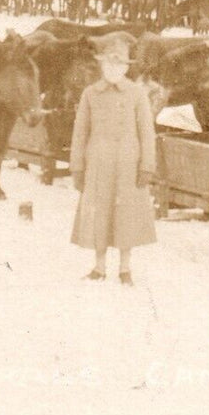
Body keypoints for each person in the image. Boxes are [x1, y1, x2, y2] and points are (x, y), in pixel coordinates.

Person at [69, 32, 158, 284]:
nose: (113, 69)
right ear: (101, 65)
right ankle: (99, 267)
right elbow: (80, 132)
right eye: (108, 63)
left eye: (119, 64)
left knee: (125, 214)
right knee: (100, 214)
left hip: (128, 164)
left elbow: (147, 132)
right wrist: (77, 167)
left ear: (126, 68)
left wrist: (147, 165)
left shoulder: (136, 93)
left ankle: (125, 268)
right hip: (98, 163)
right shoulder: (90, 93)